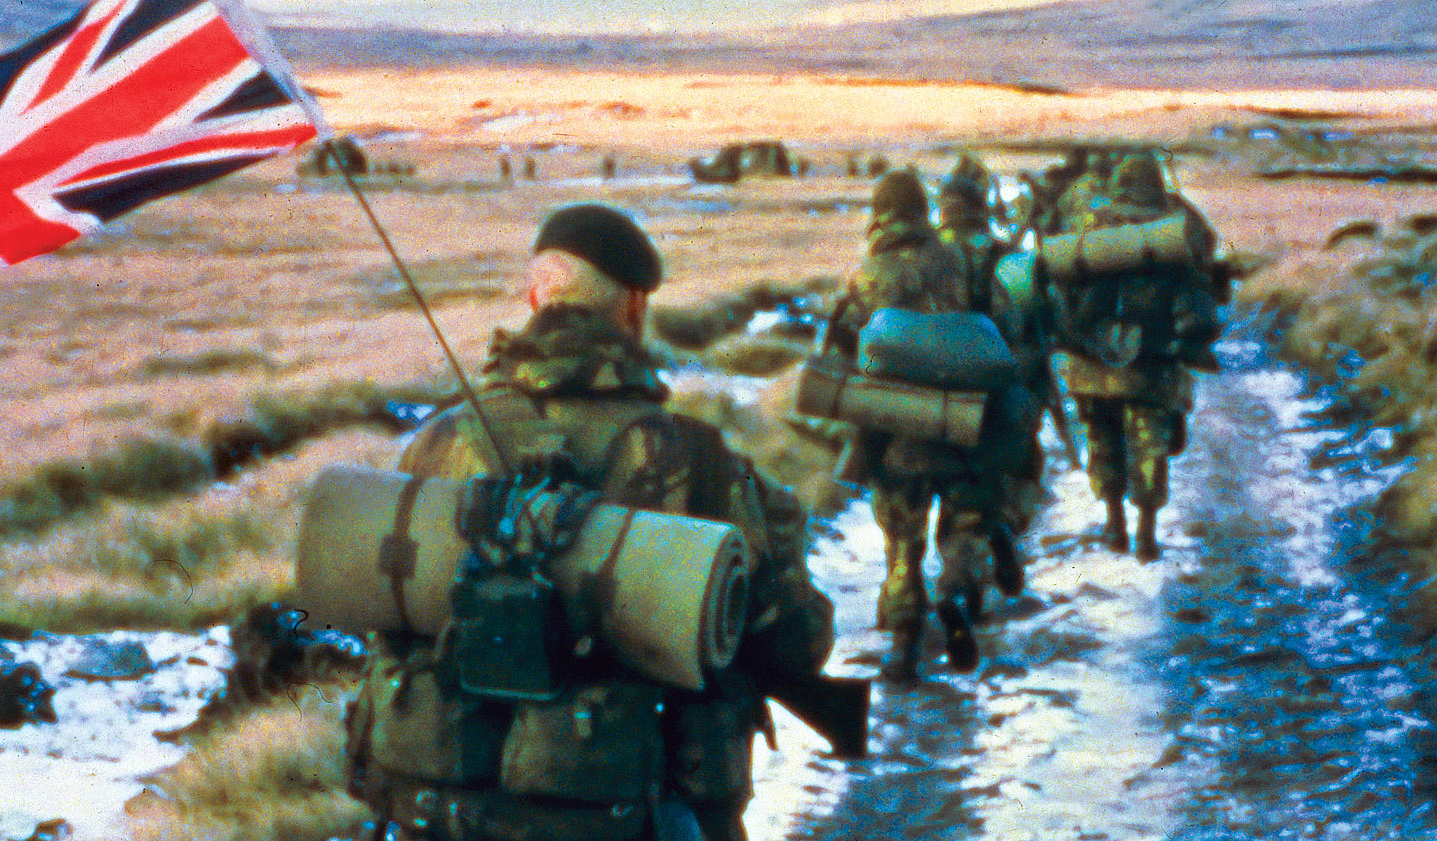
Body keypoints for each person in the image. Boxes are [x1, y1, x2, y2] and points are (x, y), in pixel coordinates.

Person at [343, 203, 836, 841]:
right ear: (635, 307)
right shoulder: (698, 461)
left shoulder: (436, 445)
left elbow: (388, 620)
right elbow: (796, 642)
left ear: (533, 299)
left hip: (445, 815)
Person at [819, 169, 982, 683]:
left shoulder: (867, 274)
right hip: (958, 416)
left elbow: (838, 349)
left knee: (902, 542)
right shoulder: (954, 260)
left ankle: (903, 643)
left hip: (895, 426)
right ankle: (953, 590)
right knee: (962, 520)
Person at [1048, 152, 1222, 562]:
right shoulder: (1172, 231)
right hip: (1152, 361)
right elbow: (1205, 259)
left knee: (1103, 440)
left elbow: (1062, 286)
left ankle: (1114, 525)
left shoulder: (1091, 224)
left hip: (1092, 364)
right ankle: (1146, 532)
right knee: (1150, 444)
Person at [935, 154, 1048, 596]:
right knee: (1023, 466)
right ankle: (1000, 531)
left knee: (952, 487)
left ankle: (955, 576)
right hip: (994, 397)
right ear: (981, 207)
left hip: (931, 393)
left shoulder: (924, 258)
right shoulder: (1007, 259)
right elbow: (1025, 326)